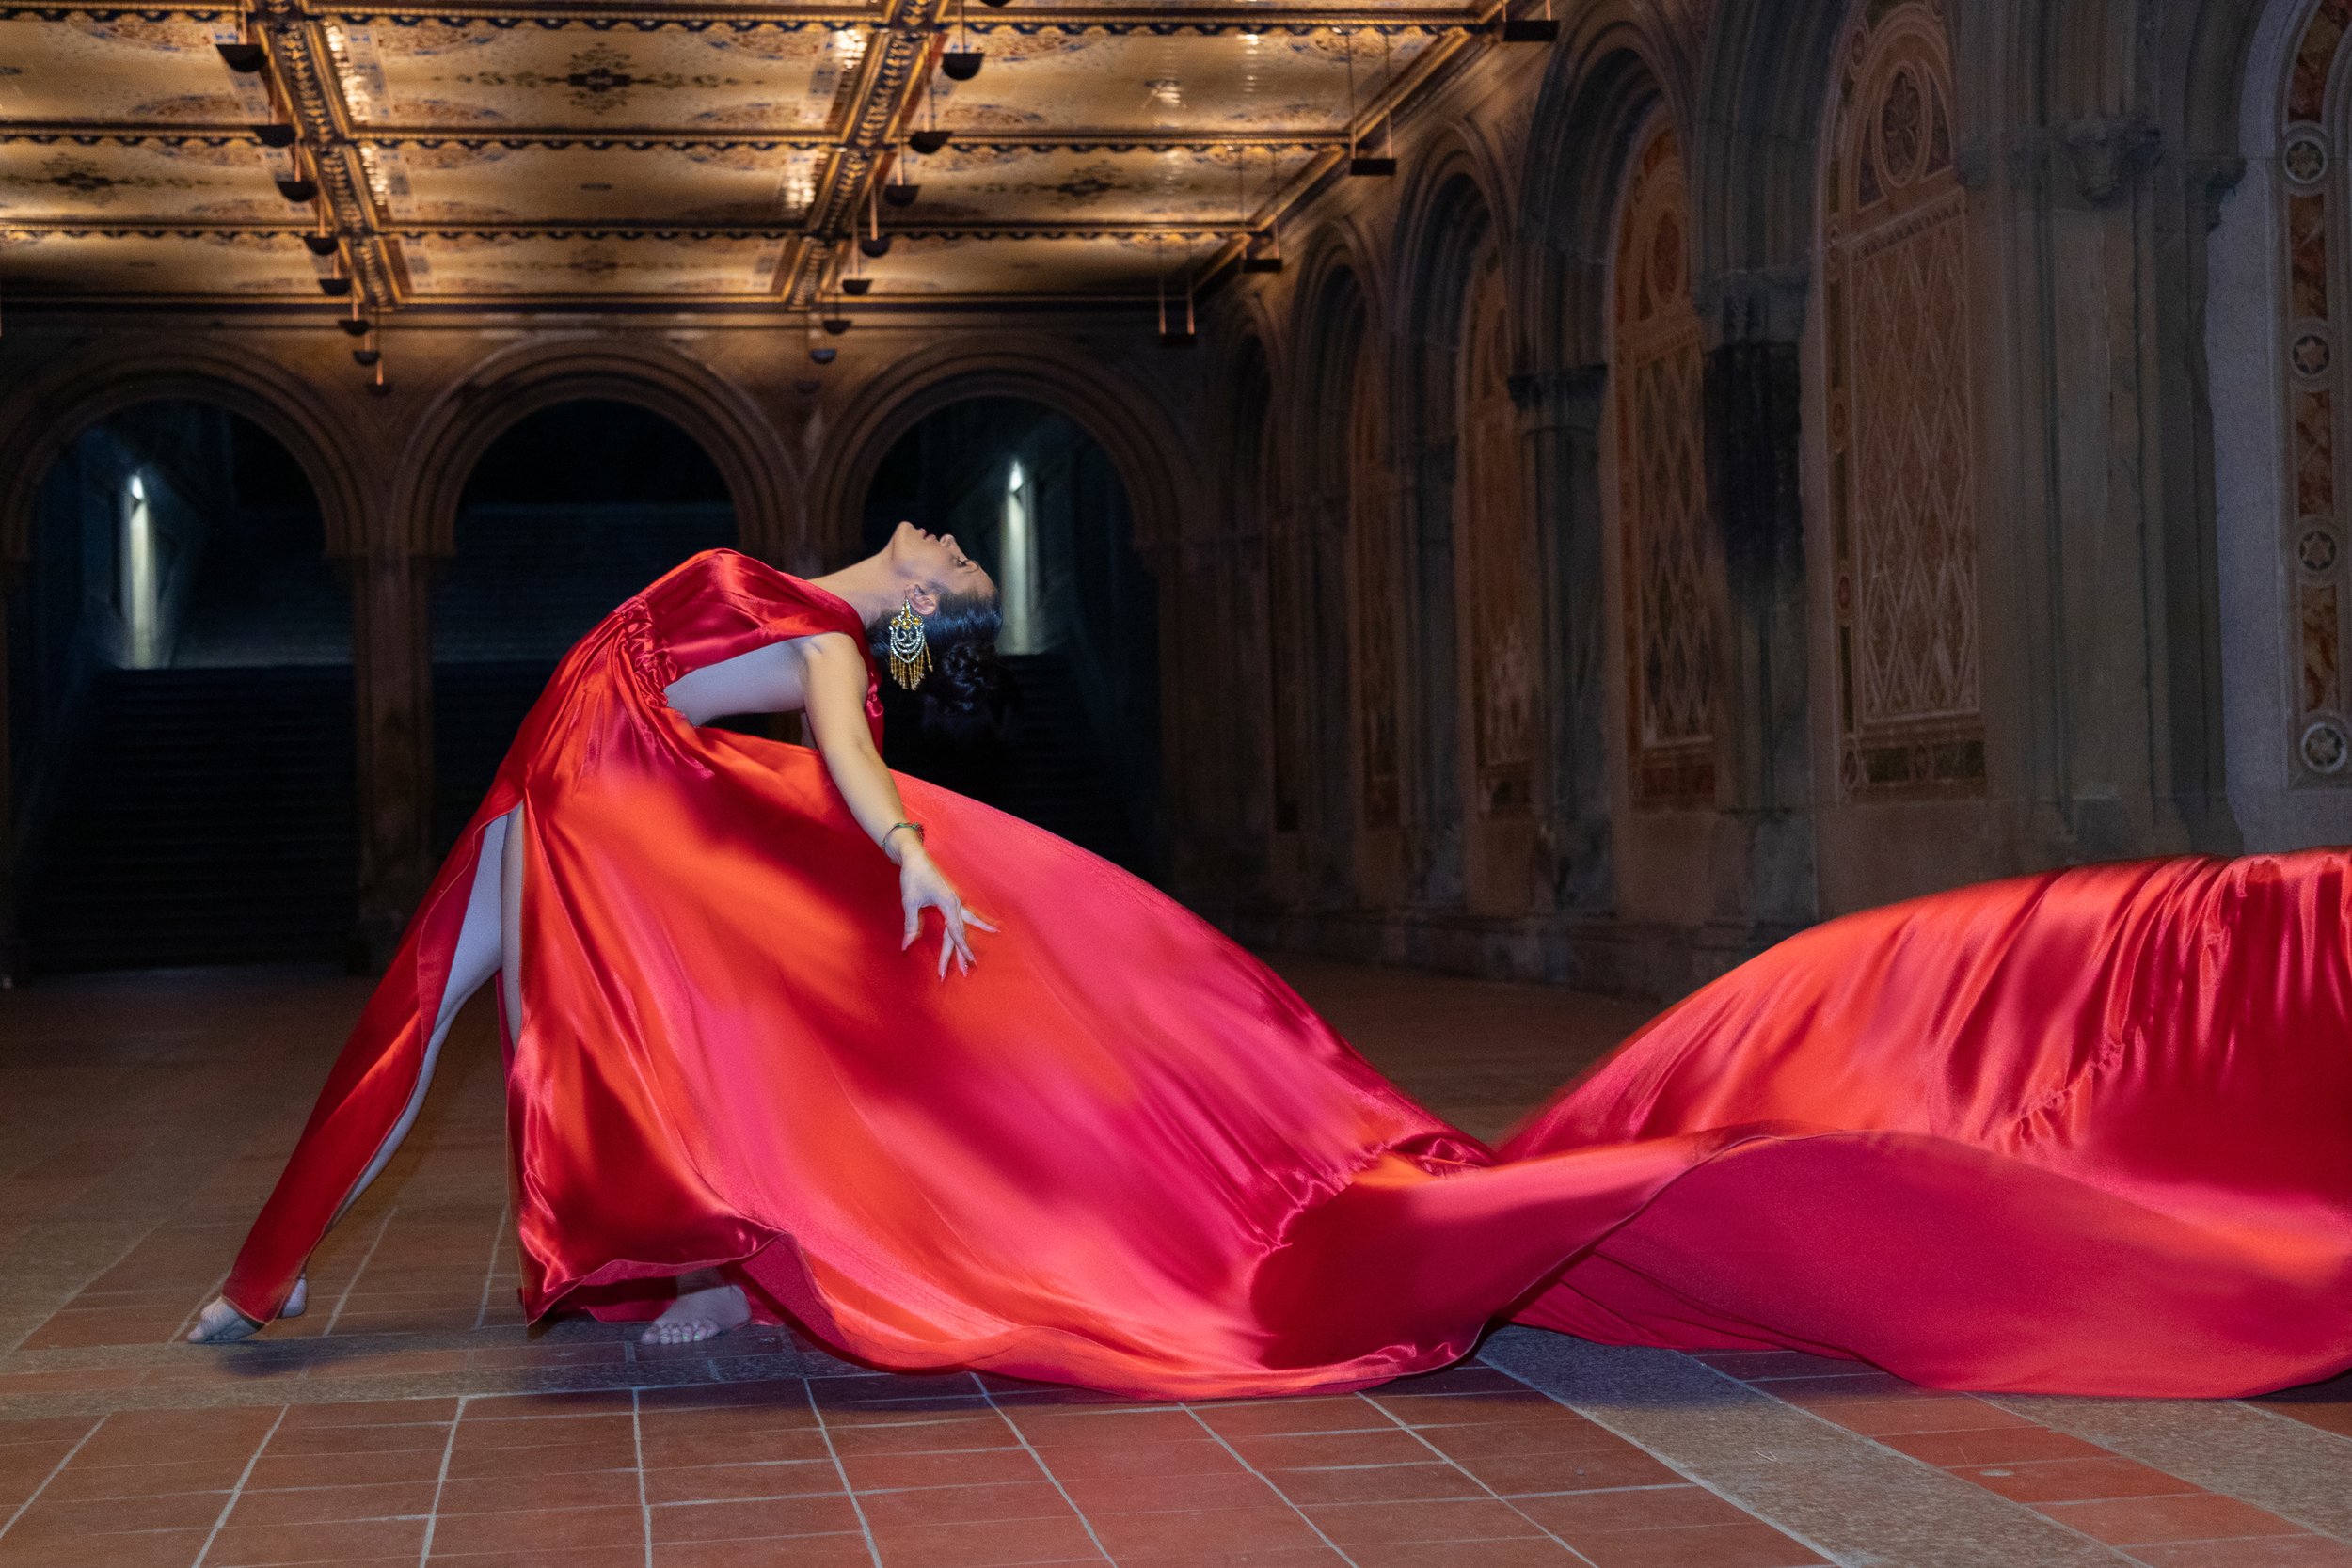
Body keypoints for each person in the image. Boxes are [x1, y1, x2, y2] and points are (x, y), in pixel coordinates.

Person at [189, 540, 2352, 1401]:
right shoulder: (783, 596)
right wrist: (890, 856)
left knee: (561, 1026)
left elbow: (853, 766)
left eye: (946, 576)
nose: (956, 561)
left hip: (611, 824)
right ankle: (280, 1277)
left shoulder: (835, 645)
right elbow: (778, 738)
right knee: (454, 1021)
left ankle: (397, 1276)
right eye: (954, 563)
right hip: (586, 813)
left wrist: (918, 866)